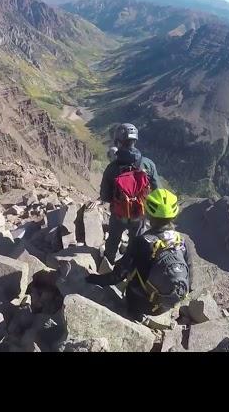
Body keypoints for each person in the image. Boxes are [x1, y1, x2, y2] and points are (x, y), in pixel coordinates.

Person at [85, 188, 193, 322]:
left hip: (141, 304)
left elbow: (118, 276)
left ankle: (133, 314)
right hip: (165, 306)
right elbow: (190, 281)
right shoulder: (182, 242)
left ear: (147, 213)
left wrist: (93, 279)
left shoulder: (141, 242)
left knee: (133, 282)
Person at [90, 123, 160, 264]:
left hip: (119, 214)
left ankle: (108, 264)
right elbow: (158, 190)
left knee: (113, 239)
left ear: (118, 141)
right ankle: (133, 266)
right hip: (139, 214)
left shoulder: (112, 168)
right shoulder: (148, 164)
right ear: (135, 140)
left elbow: (105, 196)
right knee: (138, 241)